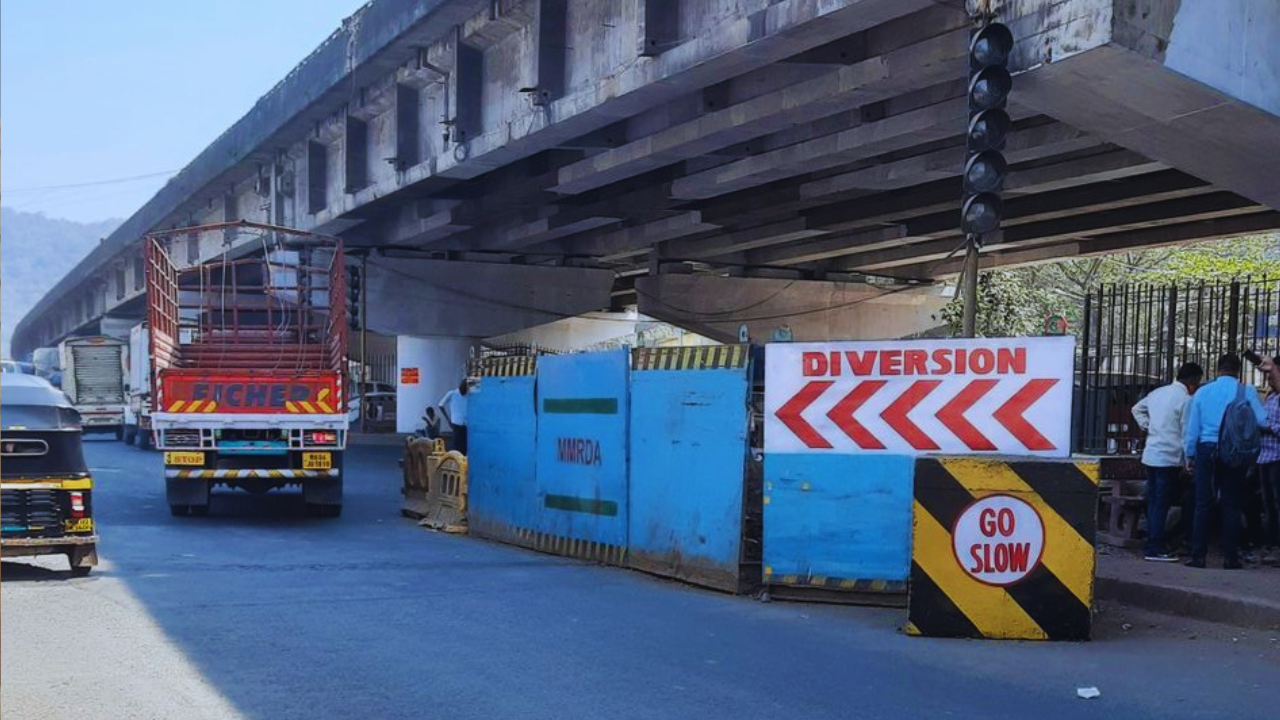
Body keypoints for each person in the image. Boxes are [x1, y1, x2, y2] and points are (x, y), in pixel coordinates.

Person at [1182, 353, 1266, 569]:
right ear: (1238, 370)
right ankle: (1230, 557)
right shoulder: (1246, 391)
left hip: (1206, 448)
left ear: (1218, 369)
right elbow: (1262, 420)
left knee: (1203, 503)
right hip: (1234, 451)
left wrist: (1189, 455)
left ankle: (1198, 555)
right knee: (1231, 504)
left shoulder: (1202, 392)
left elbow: (1193, 428)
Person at [1132, 362, 1203, 562]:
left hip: (1151, 455)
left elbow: (1136, 409)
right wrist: (1188, 460)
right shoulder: (1186, 400)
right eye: (1197, 382)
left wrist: (1147, 426)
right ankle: (1155, 547)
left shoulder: (1157, 393)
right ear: (1192, 381)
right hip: (1170, 458)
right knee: (1162, 503)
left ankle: (1152, 542)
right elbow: (1186, 433)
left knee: (1154, 500)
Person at [1256, 357, 1280, 565]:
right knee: (1269, 505)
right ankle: (1271, 544)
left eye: (1271, 373)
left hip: (1277, 457)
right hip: (1265, 456)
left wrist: (1268, 426)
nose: (1268, 378)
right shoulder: (1270, 396)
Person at [439, 379, 470, 455]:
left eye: (466, 389)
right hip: (456, 423)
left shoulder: (469, 394)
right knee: (457, 445)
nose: (465, 391)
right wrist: (448, 419)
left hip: (467, 423)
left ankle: (463, 462)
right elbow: (440, 405)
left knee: (466, 445)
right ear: (460, 387)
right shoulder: (452, 393)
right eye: (464, 389)